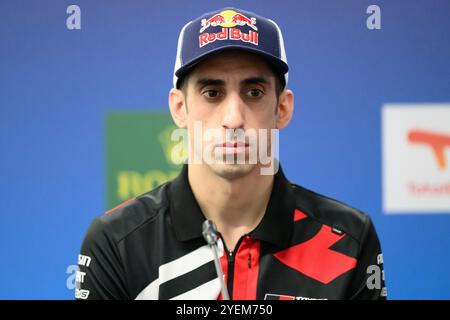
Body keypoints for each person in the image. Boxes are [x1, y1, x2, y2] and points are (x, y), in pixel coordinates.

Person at [76, 7, 387, 300]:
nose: (233, 118)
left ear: (282, 108)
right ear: (179, 108)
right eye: (212, 93)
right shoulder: (117, 242)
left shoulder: (349, 239)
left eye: (254, 92)